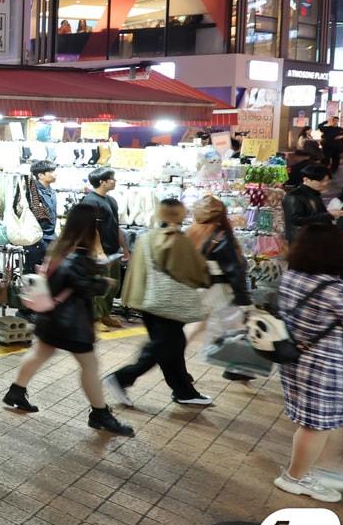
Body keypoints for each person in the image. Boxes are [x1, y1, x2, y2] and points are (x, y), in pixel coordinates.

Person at [2, 204, 135, 436]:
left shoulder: (59, 247)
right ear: (90, 226)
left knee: (40, 353)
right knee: (90, 366)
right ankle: (100, 413)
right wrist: (105, 283)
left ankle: (16, 391)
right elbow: (83, 286)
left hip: (51, 317)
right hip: (71, 323)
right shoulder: (78, 254)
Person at [105, 199, 212, 407]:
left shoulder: (147, 237)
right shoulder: (176, 239)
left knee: (172, 346)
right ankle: (122, 378)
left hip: (149, 301)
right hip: (169, 304)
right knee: (163, 347)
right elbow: (191, 271)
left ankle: (184, 390)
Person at [272, 224, 343, 502]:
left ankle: (307, 470)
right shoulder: (334, 290)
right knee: (315, 425)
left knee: (312, 422)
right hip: (321, 365)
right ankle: (294, 478)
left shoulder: (292, 276)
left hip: (295, 358)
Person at [186, 196, 256, 382]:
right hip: (218, 289)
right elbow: (235, 270)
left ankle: (171, 359)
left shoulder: (191, 232)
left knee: (197, 325)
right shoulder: (221, 236)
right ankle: (239, 368)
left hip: (198, 287)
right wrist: (244, 300)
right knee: (235, 325)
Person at [80, 168, 131, 329]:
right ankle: (95, 319)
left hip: (112, 250)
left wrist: (124, 248)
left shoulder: (111, 201)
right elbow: (91, 229)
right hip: (97, 253)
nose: (114, 181)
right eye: (112, 179)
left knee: (111, 285)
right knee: (98, 286)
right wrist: (99, 251)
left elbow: (116, 227)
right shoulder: (90, 201)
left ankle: (105, 315)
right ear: (102, 181)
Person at [283, 164, 341, 244]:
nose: (325, 184)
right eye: (321, 181)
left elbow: (317, 214)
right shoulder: (294, 196)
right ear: (306, 179)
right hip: (301, 241)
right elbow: (296, 220)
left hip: (315, 239)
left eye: (327, 181)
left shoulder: (315, 194)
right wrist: (329, 215)